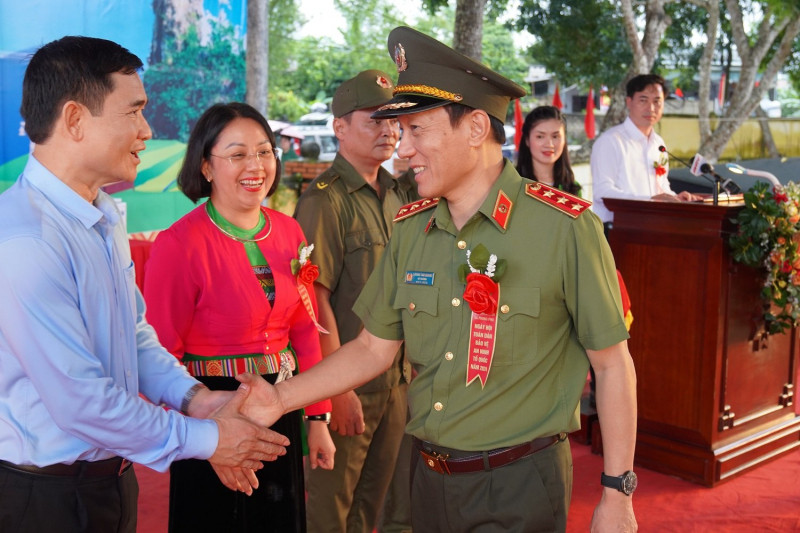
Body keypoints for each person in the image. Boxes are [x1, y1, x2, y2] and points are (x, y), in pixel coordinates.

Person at [247, 26, 639, 532]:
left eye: (416, 130)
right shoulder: (412, 228)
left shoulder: (563, 227)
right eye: (399, 132)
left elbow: (612, 367)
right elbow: (372, 349)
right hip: (426, 481)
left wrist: (617, 494)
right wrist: (279, 398)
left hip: (518, 484)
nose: (401, 149)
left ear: (475, 128)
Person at [0, 36, 288, 532]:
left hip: (110, 478)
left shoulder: (102, 214)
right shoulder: (26, 238)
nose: (147, 131)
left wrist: (198, 399)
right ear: (74, 120)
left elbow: (134, 337)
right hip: (42, 497)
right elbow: (80, 401)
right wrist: (210, 439)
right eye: (133, 112)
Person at [143, 102, 335, 532]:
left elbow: (304, 331)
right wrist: (202, 435)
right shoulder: (179, 244)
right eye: (237, 154)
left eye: (264, 151)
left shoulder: (289, 232)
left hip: (282, 404)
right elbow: (158, 352)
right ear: (206, 167)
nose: (255, 165)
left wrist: (318, 419)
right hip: (210, 407)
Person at [294, 69, 416, 533]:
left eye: (394, 121)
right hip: (351, 383)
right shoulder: (325, 200)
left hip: (396, 380)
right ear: (339, 128)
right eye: (375, 120)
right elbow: (312, 300)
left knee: (381, 507)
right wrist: (335, 389)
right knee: (331, 510)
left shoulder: (397, 194)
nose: (389, 130)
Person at [591, 73, 699, 229]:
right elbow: (603, 192)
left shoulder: (658, 143)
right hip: (617, 231)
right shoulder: (610, 141)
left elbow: (661, 186)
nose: (651, 108)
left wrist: (675, 198)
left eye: (657, 101)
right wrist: (651, 200)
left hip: (652, 228)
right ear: (629, 102)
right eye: (643, 100)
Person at [516, 105, 581, 196]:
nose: (549, 144)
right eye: (540, 137)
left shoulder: (572, 188)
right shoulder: (514, 184)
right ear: (527, 140)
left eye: (555, 136)